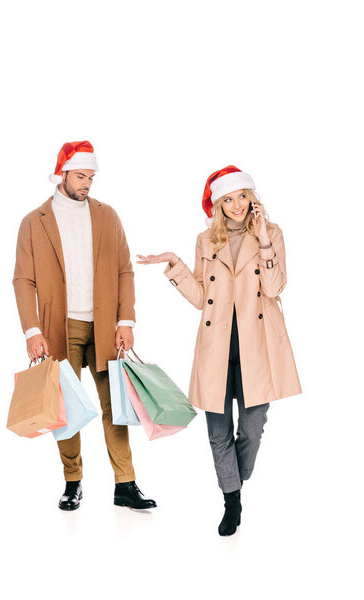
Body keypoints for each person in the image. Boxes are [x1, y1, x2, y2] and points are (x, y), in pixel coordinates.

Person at [137, 165, 301, 535]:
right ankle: (232, 501)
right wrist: (175, 265)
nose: (237, 204)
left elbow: (275, 288)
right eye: (228, 199)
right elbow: (201, 298)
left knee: (253, 428)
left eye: (242, 196)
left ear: (252, 197)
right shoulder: (206, 240)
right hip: (217, 346)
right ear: (218, 205)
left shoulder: (272, 233)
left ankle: (234, 480)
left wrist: (262, 241)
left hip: (257, 346)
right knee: (217, 432)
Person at [13, 140, 156, 511]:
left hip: (106, 326)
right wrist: (32, 330)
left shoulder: (107, 216)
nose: (87, 183)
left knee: (116, 407)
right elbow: (22, 280)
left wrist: (126, 320)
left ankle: (125, 484)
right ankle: (72, 481)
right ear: (62, 173)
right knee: (65, 410)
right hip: (59, 328)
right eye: (80, 176)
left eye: (91, 177)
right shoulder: (34, 222)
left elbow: (125, 269)